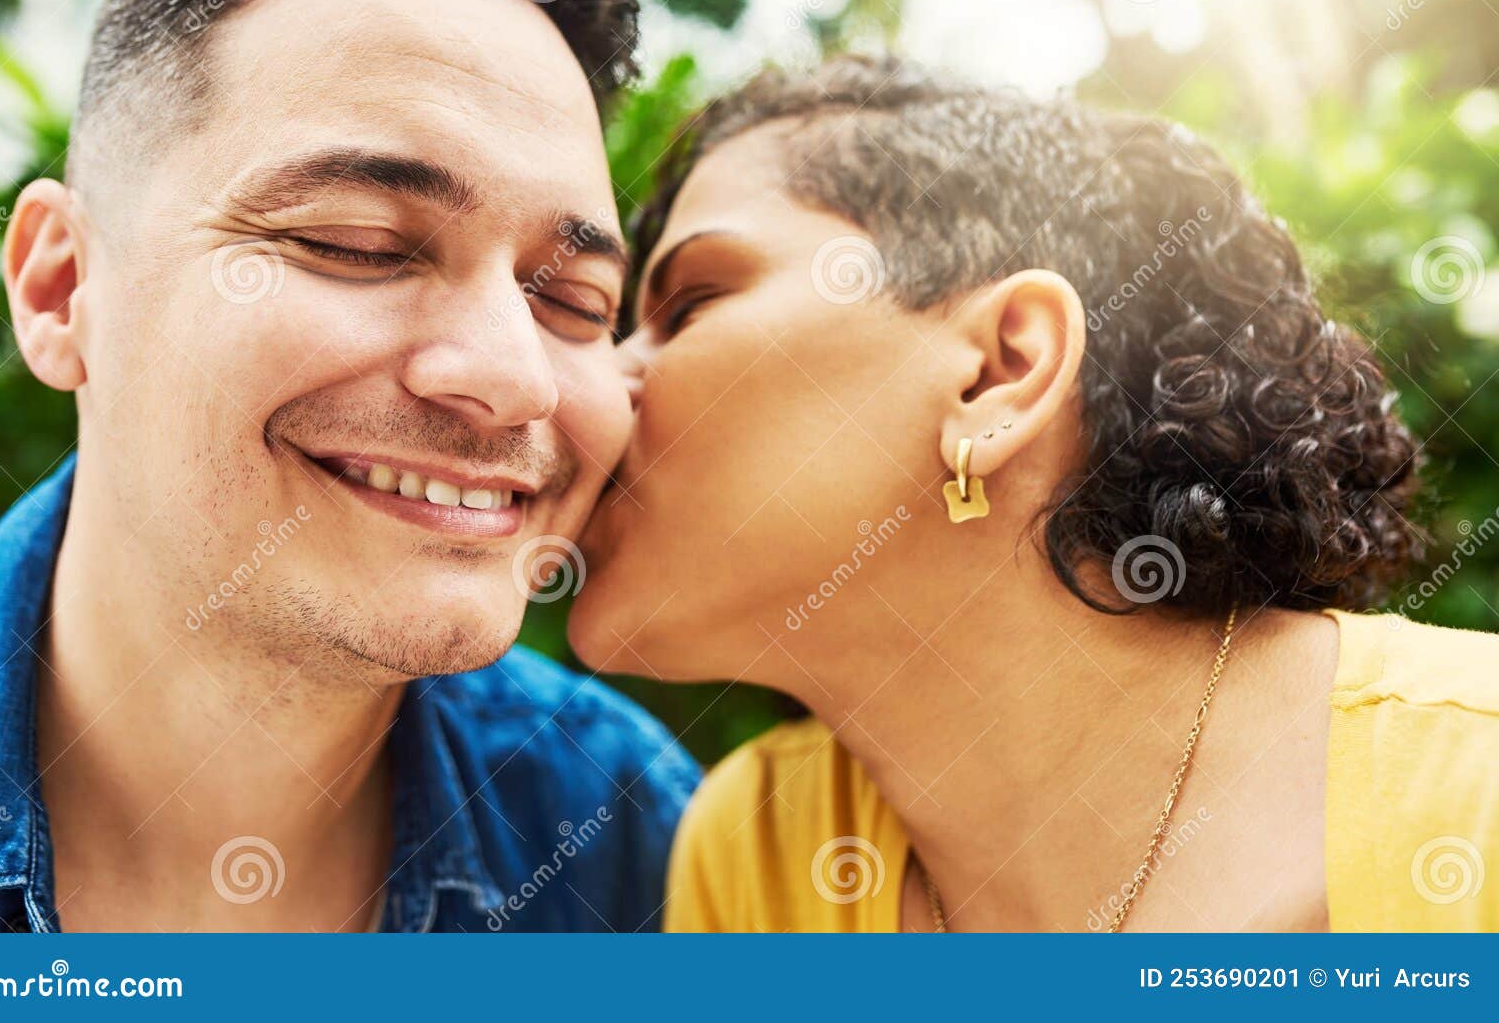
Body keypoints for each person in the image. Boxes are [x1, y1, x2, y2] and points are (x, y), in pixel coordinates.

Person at [0, 0, 697, 932]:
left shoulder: (625, 836)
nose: (514, 379)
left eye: (572, 300)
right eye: (354, 245)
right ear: (64, 288)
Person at [568, 54, 1499, 932]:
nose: (591, 385)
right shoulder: (759, 853)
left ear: (1000, 372)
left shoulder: (1474, 786)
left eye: (688, 306)